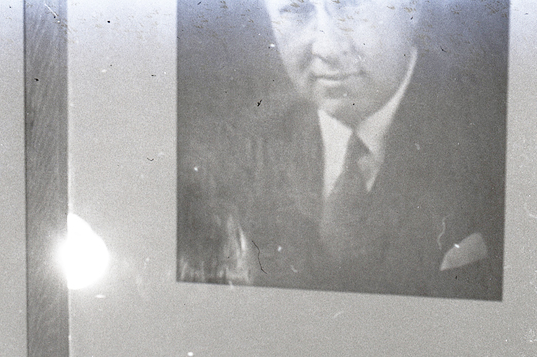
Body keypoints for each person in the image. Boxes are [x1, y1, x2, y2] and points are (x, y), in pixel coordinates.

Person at [175, 0, 507, 300]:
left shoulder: (496, 146)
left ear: (414, 7)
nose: (327, 49)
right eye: (296, 10)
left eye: (350, 6)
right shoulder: (232, 157)